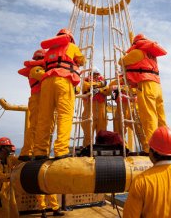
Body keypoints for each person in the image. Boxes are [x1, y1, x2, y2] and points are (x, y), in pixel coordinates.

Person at [33, 28, 86, 160]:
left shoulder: (49, 51)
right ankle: (61, 150)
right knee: (64, 115)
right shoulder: (72, 46)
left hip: (46, 82)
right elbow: (81, 60)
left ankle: (40, 151)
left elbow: (46, 64)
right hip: (63, 79)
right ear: (70, 38)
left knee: (44, 117)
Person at [119, 34, 167, 153]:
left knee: (148, 117)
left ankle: (152, 149)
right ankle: (164, 145)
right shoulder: (151, 55)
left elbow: (121, 61)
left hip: (146, 85)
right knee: (161, 118)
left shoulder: (137, 53)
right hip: (157, 86)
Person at [17, 49, 46, 161]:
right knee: (35, 126)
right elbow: (45, 77)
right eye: (39, 58)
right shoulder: (36, 69)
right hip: (37, 98)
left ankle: (40, 151)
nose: (40, 60)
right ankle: (27, 152)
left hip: (44, 98)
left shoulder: (42, 68)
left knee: (44, 126)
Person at [0, 137, 21, 218]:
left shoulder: (9, 159)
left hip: (8, 193)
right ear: (3, 149)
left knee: (13, 214)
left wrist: (27, 158)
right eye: (8, 147)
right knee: (1, 214)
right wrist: (14, 175)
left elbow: (19, 160)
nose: (10, 148)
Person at [81, 67, 110, 147]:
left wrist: (99, 90)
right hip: (89, 111)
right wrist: (100, 85)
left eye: (97, 74)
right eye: (94, 74)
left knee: (102, 133)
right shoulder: (85, 81)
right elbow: (86, 87)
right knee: (88, 133)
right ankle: (87, 148)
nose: (96, 76)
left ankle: (101, 148)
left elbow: (108, 91)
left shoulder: (103, 82)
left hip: (101, 112)